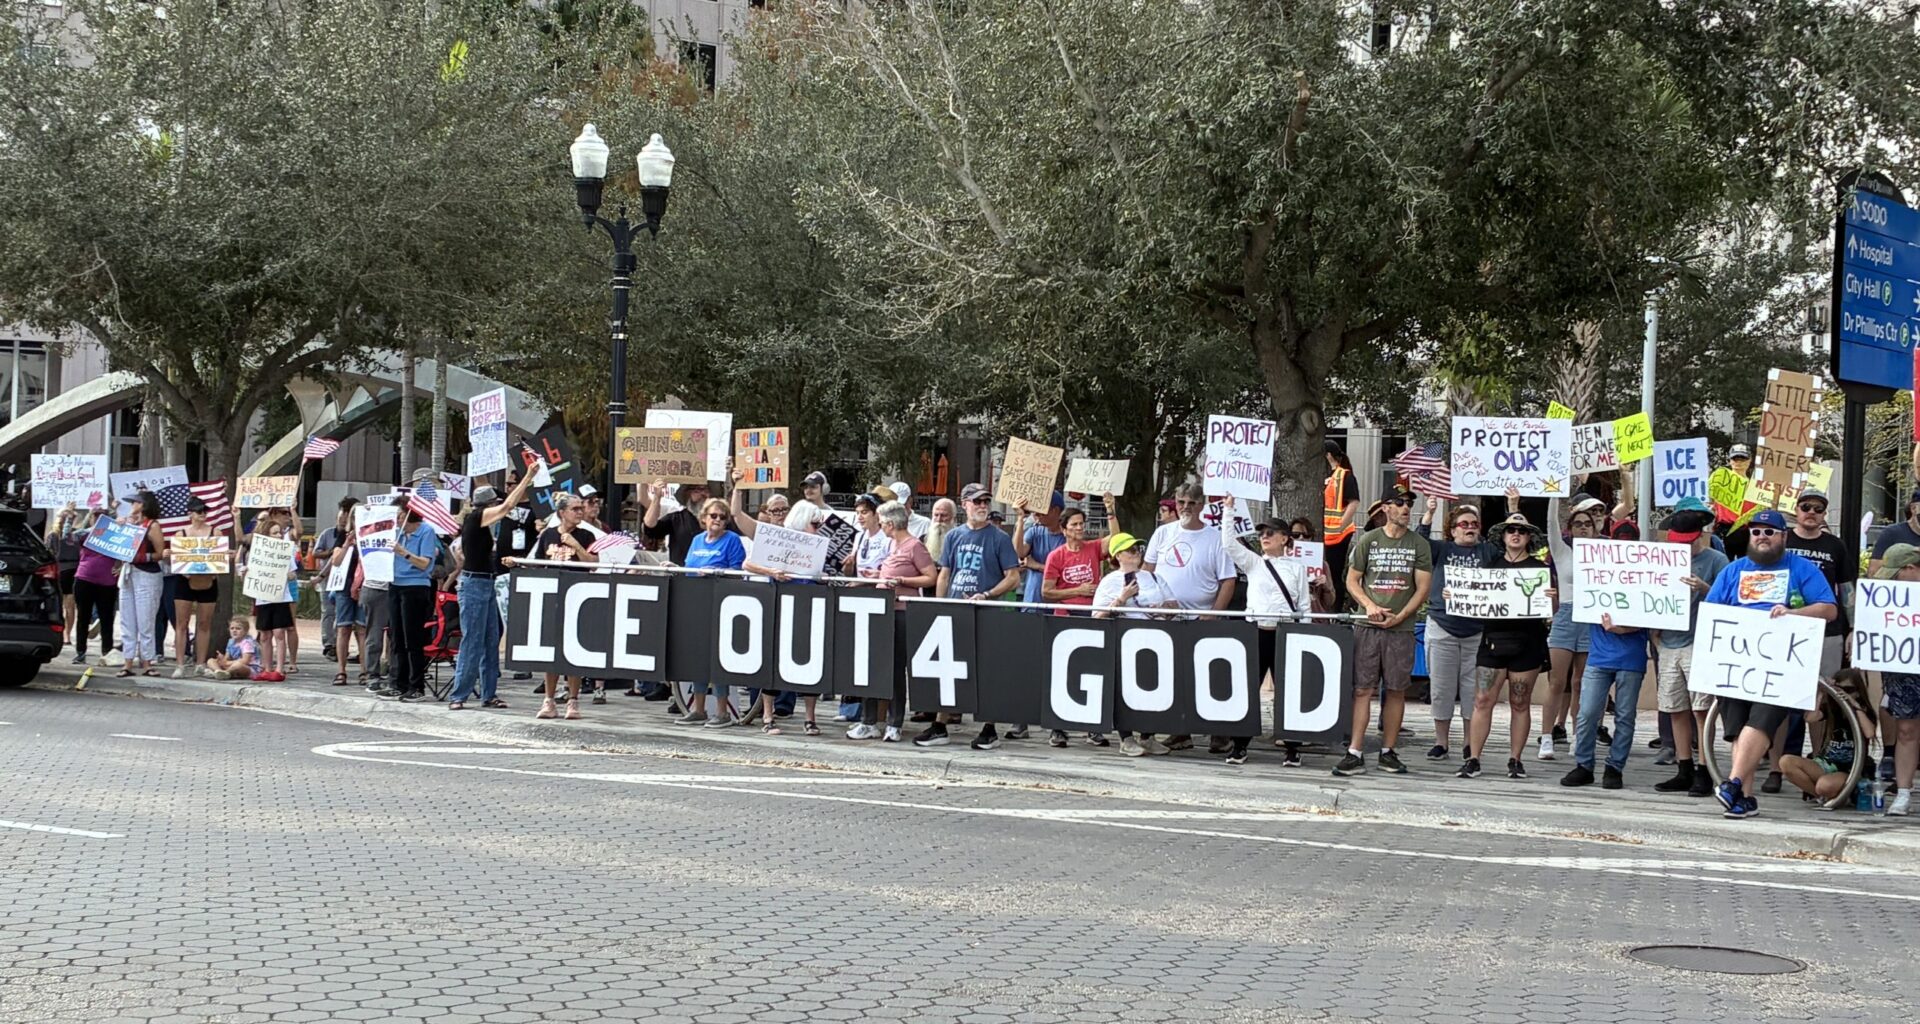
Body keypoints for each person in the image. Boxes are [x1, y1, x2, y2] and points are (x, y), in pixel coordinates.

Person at [1701, 508, 1838, 819]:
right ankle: (1743, 799)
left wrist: (1792, 614)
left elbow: (1829, 609)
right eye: (1756, 532)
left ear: (1783, 536)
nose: (1762, 537)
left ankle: (1733, 783)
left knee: (1761, 722)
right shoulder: (1733, 571)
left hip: (1782, 664)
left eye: (1769, 532)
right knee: (1737, 730)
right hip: (1736, 663)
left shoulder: (1802, 569)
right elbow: (1713, 613)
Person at [913, 482, 1020, 749]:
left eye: (986, 501)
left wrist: (987, 594)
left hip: (986, 612)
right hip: (956, 609)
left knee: (986, 670)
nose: (982, 506)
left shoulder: (999, 538)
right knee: (947, 667)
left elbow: (1014, 577)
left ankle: (989, 727)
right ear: (965, 505)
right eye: (977, 502)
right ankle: (940, 724)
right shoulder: (954, 536)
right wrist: (939, 606)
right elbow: (945, 573)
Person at [1335, 485, 1432, 776]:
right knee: (1362, 689)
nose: (1405, 508)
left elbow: (1423, 587)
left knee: (1396, 690)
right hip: (1367, 626)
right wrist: (1369, 606)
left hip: (1400, 629)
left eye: (1409, 503)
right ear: (1385, 508)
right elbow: (1352, 581)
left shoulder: (1418, 544)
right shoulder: (1369, 540)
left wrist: (1401, 615)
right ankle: (1354, 750)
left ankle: (1388, 751)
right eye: (1399, 503)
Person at [1457, 513, 1554, 781]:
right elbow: (1471, 598)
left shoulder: (1540, 569)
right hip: (1493, 639)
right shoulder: (1489, 567)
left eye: (1521, 531)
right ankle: (1474, 758)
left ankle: (1516, 759)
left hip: (1528, 641)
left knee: (1520, 702)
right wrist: (1456, 595)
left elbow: (1550, 612)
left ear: (1528, 537)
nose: (1516, 534)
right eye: (1511, 530)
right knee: (1482, 700)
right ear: (1503, 535)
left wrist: (1551, 600)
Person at [1771, 487, 1855, 793]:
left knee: (1823, 701)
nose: (1811, 512)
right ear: (1796, 509)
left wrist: (1853, 629)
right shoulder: (1781, 540)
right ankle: (1774, 767)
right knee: (1779, 700)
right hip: (1783, 629)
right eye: (1806, 506)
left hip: (1827, 632)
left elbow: (1846, 590)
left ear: (1823, 514)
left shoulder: (1835, 545)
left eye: (1818, 508)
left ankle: (1819, 762)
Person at [1145, 482, 1239, 753]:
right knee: (1174, 677)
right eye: (1181, 501)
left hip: (1202, 619)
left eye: (1191, 503)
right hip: (1167, 620)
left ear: (1202, 505)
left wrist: (1213, 615)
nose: (1185, 507)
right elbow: (1147, 571)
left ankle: (1219, 734)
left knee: (1210, 678)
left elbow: (1228, 581)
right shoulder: (1162, 533)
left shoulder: (1215, 538)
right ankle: (1180, 731)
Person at [1649, 498, 1731, 798]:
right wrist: (1654, 635)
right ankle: (1683, 767)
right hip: (1668, 641)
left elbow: (1729, 603)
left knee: (1701, 709)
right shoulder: (1662, 558)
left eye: (1687, 541)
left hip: (1699, 641)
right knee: (1674, 707)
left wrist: (1705, 589)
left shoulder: (1716, 561)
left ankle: (1704, 768)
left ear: (1699, 535)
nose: (1682, 546)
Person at [1218, 496, 1309, 765]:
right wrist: (1228, 510)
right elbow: (1227, 544)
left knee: (1288, 692)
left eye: (1270, 533)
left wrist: (1302, 637)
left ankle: (1292, 747)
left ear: (1284, 538)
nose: (1264, 537)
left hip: (1285, 633)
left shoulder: (1296, 568)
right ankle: (1240, 746)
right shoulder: (1254, 562)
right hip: (1257, 631)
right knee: (1249, 689)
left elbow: (1303, 606)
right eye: (1261, 533)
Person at [1415, 497, 1498, 760]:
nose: (1470, 527)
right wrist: (1429, 513)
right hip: (1443, 626)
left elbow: (1510, 552)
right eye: (1464, 523)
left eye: (1475, 524)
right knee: (1441, 688)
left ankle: (1467, 742)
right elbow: (1421, 543)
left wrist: (1514, 507)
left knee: (1472, 690)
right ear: (1453, 529)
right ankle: (1441, 741)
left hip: (1477, 630)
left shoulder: (1487, 552)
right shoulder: (1442, 549)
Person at [447, 473, 536, 712]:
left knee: (489, 640)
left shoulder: (480, 524)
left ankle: (488, 693)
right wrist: (528, 477)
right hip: (475, 584)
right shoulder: (477, 519)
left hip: (486, 582)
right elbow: (509, 505)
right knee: (473, 641)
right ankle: (460, 694)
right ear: (488, 506)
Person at [1040, 500, 1121, 748]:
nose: (1079, 528)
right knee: (1064, 671)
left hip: (1091, 615)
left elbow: (1116, 540)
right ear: (1064, 529)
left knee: (1093, 670)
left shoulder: (1092, 548)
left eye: (1082, 524)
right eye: (1074, 525)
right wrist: (1078, 589)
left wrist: (1110, 510)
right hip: (1065, 616)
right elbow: (1047, 592)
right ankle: (1058, 728)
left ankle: (1093, 728)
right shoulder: (1056, 556)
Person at [1091, 532, 1177, 757]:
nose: (1136, 553)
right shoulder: (1109, 581)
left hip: (1154, 640)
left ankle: (1148, 736)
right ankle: (1126, 737)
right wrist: (1121, 599)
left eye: (1137, 549)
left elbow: (1173, 604)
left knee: (1153, 685)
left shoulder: (1153, 577)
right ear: (1118, 555)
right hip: (1124, 640)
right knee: (1124, 688)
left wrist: (1162, 610)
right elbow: (1096, 615)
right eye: (1130, 550)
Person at [856, 500, 936, 742]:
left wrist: (902, 580)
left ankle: (894, 722)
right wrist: (878, 575)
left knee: (896, 668)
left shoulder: (915, 546)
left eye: (882, 522)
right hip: (882, 609)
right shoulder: (891, 544)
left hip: (901, 611)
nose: (880, 526)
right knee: (873, 666)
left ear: (891, 524)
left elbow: (930, 577)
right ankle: (869, 721)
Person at [673, 497, 750, 728]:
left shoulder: (732, 540)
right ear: (703, 518)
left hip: (721, 603)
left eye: (722, 517)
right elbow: (689, 568)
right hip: (697, 602)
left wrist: (716, 572)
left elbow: (738, 571)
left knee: (717, 659)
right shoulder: (697, 540)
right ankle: (698, 709)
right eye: (713, 516)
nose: (717, 520)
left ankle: (722, 711)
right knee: (697, 657)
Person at [1540, 495, 1606, 759]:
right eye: (1577, 523)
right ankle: (1547, 737)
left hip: (1591, 618)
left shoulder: (1604, 553)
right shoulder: (1561, 550)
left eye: (1587, 524)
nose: (1582, 527)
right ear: (1571, 527)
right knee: (1556, 681)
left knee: (1582, 683)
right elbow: (1550, 524)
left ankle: (1579, 736)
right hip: (1566, 615)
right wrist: (1554, 493)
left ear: (1594, 528)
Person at [1866, 545, 1920, 816]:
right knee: (1906, 730)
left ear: (1910, 569)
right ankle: (1903, 792)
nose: (1892, 580)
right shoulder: (1890, 596)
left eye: (1895, 574)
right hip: (1904, 665)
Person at [1777, 668, 1876, 804]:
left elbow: (1870, 732)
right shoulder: (1831, 708)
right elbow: (1810, 718)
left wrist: (1854, 706)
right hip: (1825, 764)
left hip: (1849, 769)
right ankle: (1820, 796)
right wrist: (1822, 693)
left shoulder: (1863, 711)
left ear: (1858, 692)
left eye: (1848, 689)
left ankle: (1838, 792)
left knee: (1824, 785)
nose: (1843, 693)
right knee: (1786, 762)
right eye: (1839, 689)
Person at [388, 503, 445, 704]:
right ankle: (398, 682)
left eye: (400, 514)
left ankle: (416, 686)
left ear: (410, 514)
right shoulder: (396, 532)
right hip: (395, 583)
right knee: (397, 635)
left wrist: (403, 552)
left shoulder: (426, 532)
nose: (397, 518)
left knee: (412, 638)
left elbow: (424, 563)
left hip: (415, 585)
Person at [114, 490, 168, 678]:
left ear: (143, 505)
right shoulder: (130, 523)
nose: (131, 505)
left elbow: (161, 553)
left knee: (145, 620)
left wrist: (141, 556)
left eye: (135, 502)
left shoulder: (152, 526)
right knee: (127, 619)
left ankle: (147, 662)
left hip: (147, 575)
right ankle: (127, 661)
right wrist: (119, 527)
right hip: (129, 573)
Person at [169, 498, 221, 678]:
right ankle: (180, 664)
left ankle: (200, 663)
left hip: (208, 580)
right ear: (190, 513)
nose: (203, 514)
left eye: (205, 511)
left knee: (204, 623)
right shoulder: (180, 534)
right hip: (185, 581)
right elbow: (175, 559)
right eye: (199, 511)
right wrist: (181, 567)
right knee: (181, 623)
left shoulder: (216, 532)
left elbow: (219, 557)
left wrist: (219, 565)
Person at [249, 519, 299, 683]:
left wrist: (283, 574)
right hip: (263, 597)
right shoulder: (256, 552)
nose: (278, 536)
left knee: (279, 633)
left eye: (280, 532)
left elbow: (293, 574)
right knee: (264, 634)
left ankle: (279, 668)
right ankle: (267, 668)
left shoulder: (286, 552)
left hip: (280, 597)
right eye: (274, 533)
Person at [70, 511, 119, 666]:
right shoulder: (85, 535)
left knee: (107, 619)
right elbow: (69, 536)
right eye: (95, 517)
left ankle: (107, 652)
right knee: (83, 617)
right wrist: (86, 517)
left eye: (102, 518)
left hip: (107, 581)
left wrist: (121, 565)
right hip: (85, 578)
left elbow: (128, 548)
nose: (97, 520)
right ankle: (80, 652)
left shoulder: (113, 535)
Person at [312, 498, 356, 658]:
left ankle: (340, 644)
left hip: (347, 579)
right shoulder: (328, 533)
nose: (343, 518)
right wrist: (332, 552)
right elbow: (317, 553)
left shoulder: (353, 534)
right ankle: (329, 644)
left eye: (347, 514)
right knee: (328, 611)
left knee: (343, 614)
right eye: (342, 513)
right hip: (329, 577)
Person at [643, 478, 719, 564]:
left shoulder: (719, 519)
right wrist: (657, 497)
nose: (703, 493)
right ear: (687, 494)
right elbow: (650, 529)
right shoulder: (676, 518)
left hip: (712, 574)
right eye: (697, 490)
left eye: (705, 489)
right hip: (680, 575)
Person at [1013, 492, 1068, 609]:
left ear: (1055, 510)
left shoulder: (1067, 537)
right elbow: (1019, 553)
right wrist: (1020, 518)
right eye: (1034, 511)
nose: (1036, 514)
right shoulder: (1034, 531)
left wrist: (1037, 566)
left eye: (1040, 510)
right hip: (1032, 599)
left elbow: (1066, 572)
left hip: (1059, 603)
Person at [1322, 441, 1360, 608]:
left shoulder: (1344, 475)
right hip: (1327, 532)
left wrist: (1340, 524)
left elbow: (1354, 502)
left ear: (1328, 455)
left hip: (1339, 533)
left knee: (1334, 574)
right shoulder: (1330, 475)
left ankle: (1335, 610)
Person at [46, 503, 84, 641]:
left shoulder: (75, 535)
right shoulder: (53, 535)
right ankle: (62, 632)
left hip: (72, 569)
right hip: (59, 569)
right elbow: (49, 553)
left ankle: (67, 634)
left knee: (70, 605)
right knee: (61, 604)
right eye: (64, 516)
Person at [844, 488, 896, 578]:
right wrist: (849, 565)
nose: (859, 517)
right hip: (861, 591)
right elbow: (848, 574)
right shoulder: (859, 536)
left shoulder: (889, 537)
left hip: (880, 589)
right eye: (857, 513)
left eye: (864, 512)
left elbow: (895, 572)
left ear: (877, 514)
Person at [925, 497, 957, 567]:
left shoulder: (960, 540)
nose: (939, 519)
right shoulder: (923, 540)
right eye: (936, 515)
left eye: (944, 515)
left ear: (953, 518)